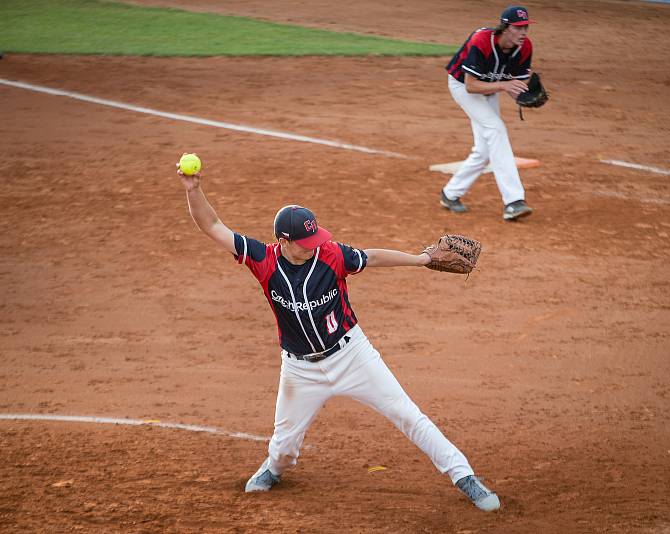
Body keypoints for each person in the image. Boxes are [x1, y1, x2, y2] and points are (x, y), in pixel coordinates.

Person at [176, 162, 501, 512]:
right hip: (300, 370)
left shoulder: (331, 255)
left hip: (352, 356)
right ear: (283, 241)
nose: (314, 246)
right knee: (284, 446)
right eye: (305, 242)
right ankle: (274, 469)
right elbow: (212, 225)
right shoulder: (262, 260)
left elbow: (373, 257)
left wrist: (420, 259)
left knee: (407, 413)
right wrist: (193, 190)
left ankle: (464, 476)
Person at [441, 5, 536, 221]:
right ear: (504, 27)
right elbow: (471, 86)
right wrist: (505, 86)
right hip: (463, 86)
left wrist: (523, 94)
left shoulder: (525, 46)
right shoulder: (481, 40)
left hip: (491, 87)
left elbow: (519, 82)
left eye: (526, 27)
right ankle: (514, 201)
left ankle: (450, 193)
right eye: (518, 27)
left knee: (485, 149)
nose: (523, 32)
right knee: (496, 129)